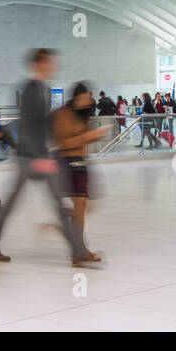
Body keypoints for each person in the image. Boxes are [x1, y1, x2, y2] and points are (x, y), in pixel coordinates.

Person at [0, 49, 93, 266]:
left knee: (57, 205)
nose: (53, 67)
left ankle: (78, 251)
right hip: (29, 158)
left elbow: (44, 124)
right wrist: (38, 156)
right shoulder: (30, 90)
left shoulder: (44, 90)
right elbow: (28, 127)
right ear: (38, 65)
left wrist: (68, 113)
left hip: (38, 156)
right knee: (13, 204)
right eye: (50, 63)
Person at [51, 83, 109, 260]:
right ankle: (79, 250)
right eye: (86, 97)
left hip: (80, 163)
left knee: (82, 208)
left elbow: (81, 142)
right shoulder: (61, 114)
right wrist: (88, 137)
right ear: (77, 97)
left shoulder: (84, 114)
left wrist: (91, 138)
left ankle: (77, 246)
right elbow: (63, 143)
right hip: (66, 164)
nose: (89, 101)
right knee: (80, 207)